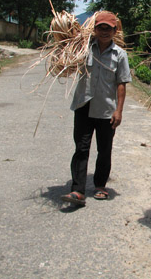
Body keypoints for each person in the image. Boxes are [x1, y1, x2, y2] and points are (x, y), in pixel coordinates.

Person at [61, 11, 131, 206]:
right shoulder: (83, 49)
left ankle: (100, 185)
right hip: (84, 105)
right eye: (101, 27)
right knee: (81, 149)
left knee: (104, 149)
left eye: (108, 28)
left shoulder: (120, 55)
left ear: (115, 30)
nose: (104, 31)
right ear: (95, 28)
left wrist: (119, 110)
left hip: (106, 109)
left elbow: (122, 84)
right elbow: (67, 63)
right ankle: (77, 190)